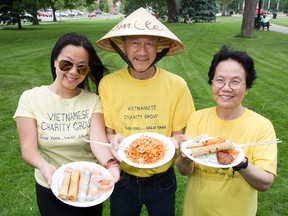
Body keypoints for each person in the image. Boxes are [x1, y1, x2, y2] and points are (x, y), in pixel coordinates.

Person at [95, 7, 195, 216]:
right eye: (135, 43)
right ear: (123, 46)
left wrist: (176, 142)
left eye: (149, 43)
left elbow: (178, 135)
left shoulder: (177, 85)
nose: (142, 51)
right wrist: (113, 139)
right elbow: (110, 132)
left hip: (162, 180)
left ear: (158, 47)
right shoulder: (108, 84)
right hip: (123, 180)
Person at [13, 32, 120, 216]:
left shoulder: (93, 101)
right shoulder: (30, 98)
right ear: (55, 61)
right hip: (50, 184)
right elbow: (28, 149)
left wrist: (111, 165)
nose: (73, 72)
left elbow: (97, 142)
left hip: (89, 185)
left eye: (81, 68)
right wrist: (44, 167)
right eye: (66, 64)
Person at [176, 45, 278, 216]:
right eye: (220, 80)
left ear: (247, 88)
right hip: (195, 211)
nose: (226, 88)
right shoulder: (198, 118)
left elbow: (265, 183)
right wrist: (185, 158)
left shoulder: (262, 126)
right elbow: (184, 170)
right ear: (212, 82)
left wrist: (241, 163)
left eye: (235, 82)